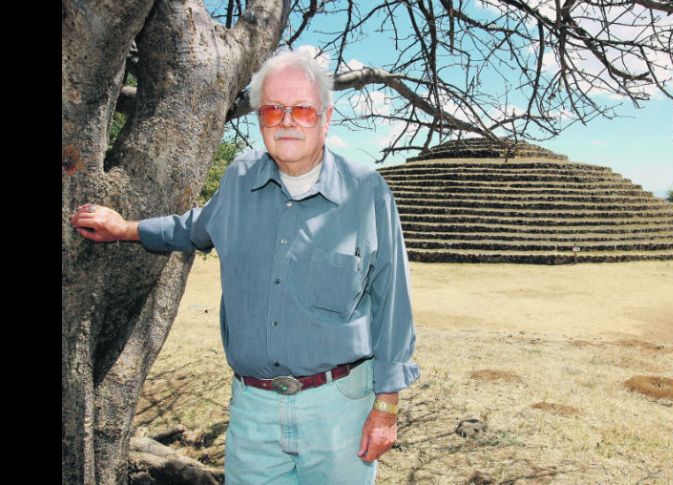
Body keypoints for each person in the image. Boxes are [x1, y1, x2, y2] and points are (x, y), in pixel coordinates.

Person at [70, 48, 420, 485]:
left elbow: (392, 305)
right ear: (260, 120)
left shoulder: (367, 192)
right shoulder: (239, 179)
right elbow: (193, 226)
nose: (288, 121)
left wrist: (386, 408)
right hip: (253, 411)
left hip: (341, 411)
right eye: (274, 110)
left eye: (303, 110)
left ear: (326, 118)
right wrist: (125, 229)